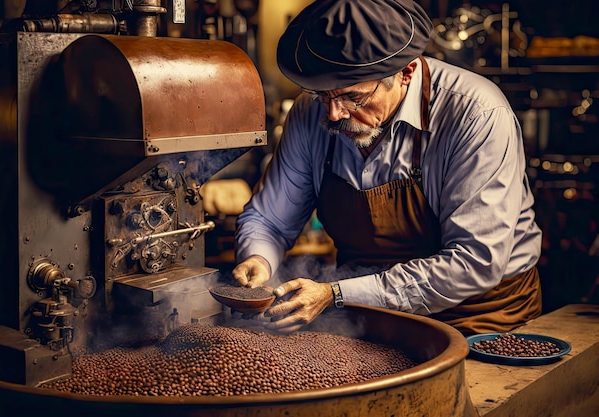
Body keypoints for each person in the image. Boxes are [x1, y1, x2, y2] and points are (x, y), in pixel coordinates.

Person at [231, 0, 543, 335]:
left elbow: (473, 261)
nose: (334, 114)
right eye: (322, 96)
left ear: (406, 72)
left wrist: (337, 293)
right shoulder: (313, 112)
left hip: (480, 314)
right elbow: (269, 220)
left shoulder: (477, 114)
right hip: (364, 314)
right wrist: (259, 259)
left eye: (354, 97)